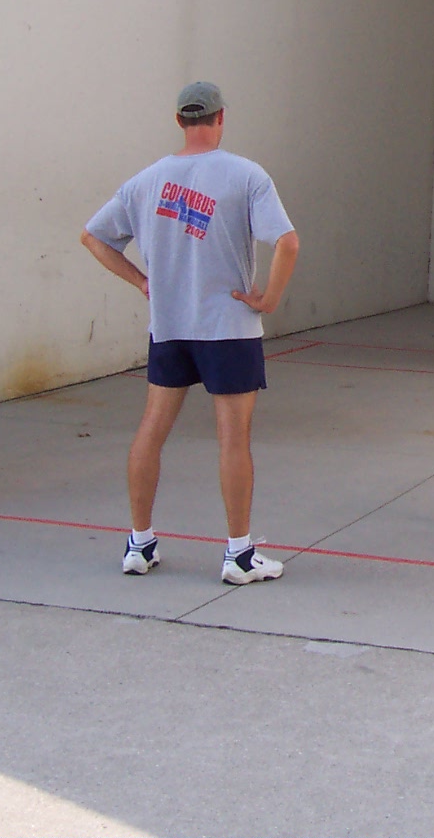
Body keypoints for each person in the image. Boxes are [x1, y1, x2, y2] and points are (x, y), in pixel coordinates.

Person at [81, 81, 299, 585]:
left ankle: (139, 544)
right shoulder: (246, 174)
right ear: (221, 118)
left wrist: (141, 281)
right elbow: (287, 243)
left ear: (179, 120)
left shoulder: (146, 181)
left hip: (171, 326)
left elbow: (91, 236)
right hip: (228, 328)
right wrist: (267, 299)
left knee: (151, 431)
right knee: (233, 439)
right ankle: (239, 556)